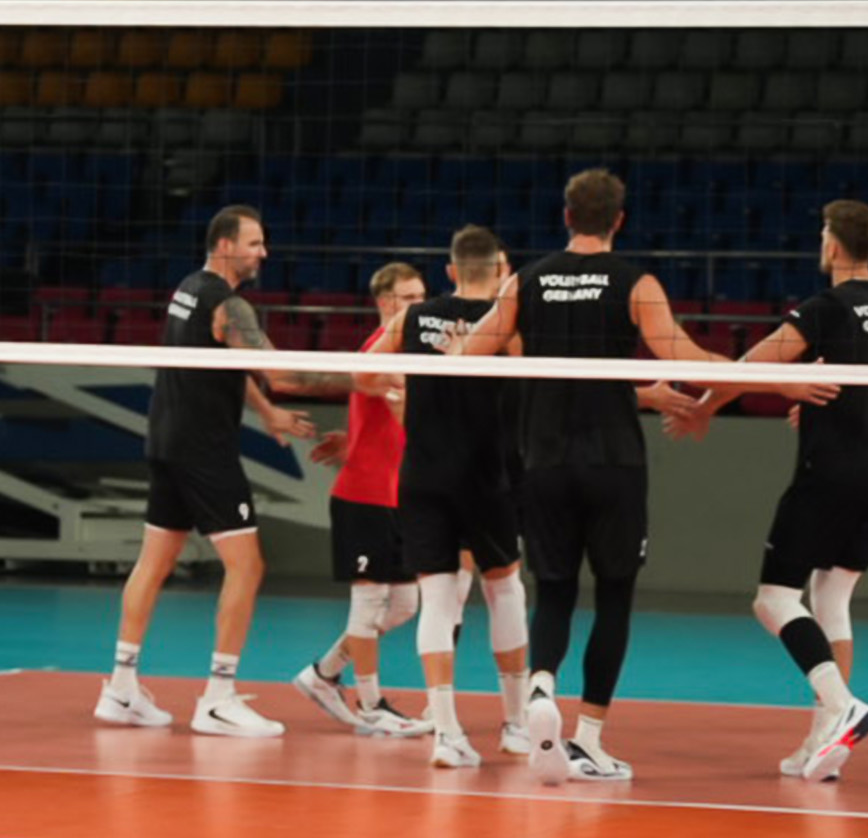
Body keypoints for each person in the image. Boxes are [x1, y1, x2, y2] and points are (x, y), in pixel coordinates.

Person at [454, 170, 721, 783]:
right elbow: (681, 355)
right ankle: (589, 739)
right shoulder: (636, 283)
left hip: (545, 461)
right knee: (615, 596)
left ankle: (541, 687)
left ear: (567, 216)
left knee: (554, 591)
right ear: (619, 220)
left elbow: (470, 355)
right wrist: (758, 376)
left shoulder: (525, 280)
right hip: (613, 461)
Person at [664, 200, 868, 782]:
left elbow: (748, 365)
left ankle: (842, 705)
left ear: (833, 245)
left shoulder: (824, 308)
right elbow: (867, 386)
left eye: (822, 234)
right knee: (832, 598)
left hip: (830, 477)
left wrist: (703, 408)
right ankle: (825, 742)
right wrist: (813, 412)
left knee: (773, 600)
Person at [94, 205, 339, 738]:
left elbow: (226, 361)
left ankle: (121, 687)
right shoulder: (229, 304)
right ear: (226, 245)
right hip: (203, 451)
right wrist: (371, 374)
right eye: (254, 243)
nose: (263, 253)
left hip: (166, 440)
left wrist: (266, 412)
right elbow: (285, 374)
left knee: (154, 561)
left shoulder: (188, 288)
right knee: (247, 567)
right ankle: (219, 698)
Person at [359, 227, 535, 768]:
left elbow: (363, 372)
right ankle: (516, 726)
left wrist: (402, 390)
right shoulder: (505, 322)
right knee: (504, 590)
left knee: (437, 599)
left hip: (423, 475)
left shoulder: (414, 317)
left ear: (452, 270)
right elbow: (537, 384)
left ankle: (448, 734)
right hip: (486, 474)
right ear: (501, 272)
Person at [292, 262, 429, 737]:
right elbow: (366, 379)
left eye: (422, 298)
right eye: (409, 299)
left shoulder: (411, 353)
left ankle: (324, 673)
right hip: (363, 496)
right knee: (369, 604)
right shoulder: (378, 350)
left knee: (405, 605)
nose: (419, 307)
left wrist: (353, 438)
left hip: (396, 497)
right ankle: (371, 706)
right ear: (386, 303)